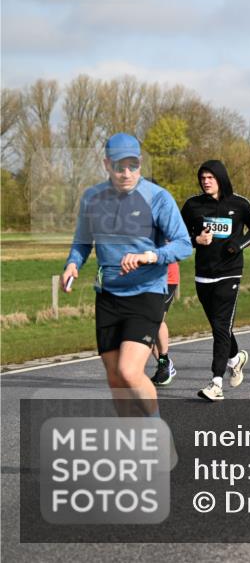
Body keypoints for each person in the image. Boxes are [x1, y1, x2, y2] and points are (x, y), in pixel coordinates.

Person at [62, 133, 192, 415]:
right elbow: (83, 242)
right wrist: (73, 264)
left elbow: (184, 244)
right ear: (106, 164)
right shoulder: (92, 198)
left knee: (129, 371)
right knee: (115, 378)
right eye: (119, 166)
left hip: (146, 292)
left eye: (133, 166)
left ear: (141, 164)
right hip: (108, 295)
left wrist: (151, 256)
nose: (126, 173)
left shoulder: (158, 198)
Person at [181, 160, 250, 401]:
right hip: (203, 274)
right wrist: (197, 240)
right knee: (220, 326)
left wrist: (239, 244)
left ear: (221, 178)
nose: (206, 181)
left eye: (210, 177)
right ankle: (235, 359)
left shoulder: (239, 203)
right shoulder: (192, 205)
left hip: (230, 272)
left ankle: (216, 383)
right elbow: (178, 236)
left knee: (220, 327)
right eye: (202, 178)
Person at [150, 260, 180, 386]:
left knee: (156, 320)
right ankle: (164, 365)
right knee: (145, 327)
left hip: (165, 279)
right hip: (143, 281)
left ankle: (164, 363)